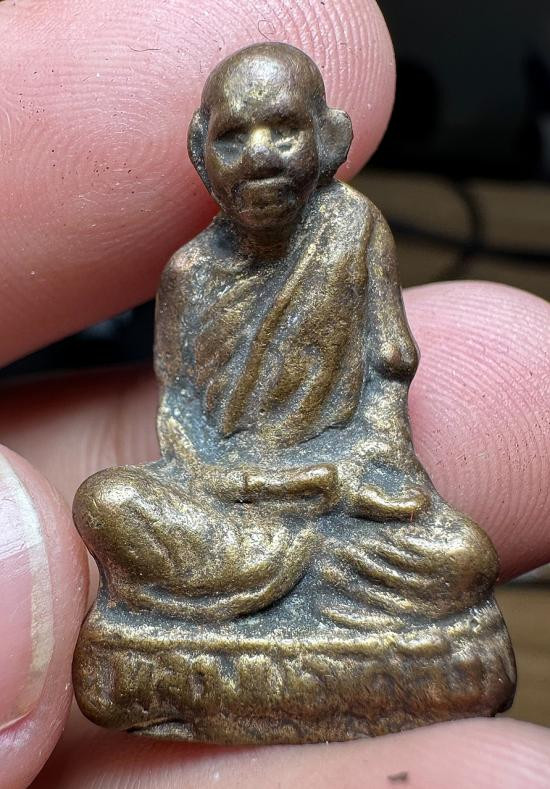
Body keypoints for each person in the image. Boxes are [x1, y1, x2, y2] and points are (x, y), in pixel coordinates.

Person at [0, 1, 549, 786]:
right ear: (201, 152)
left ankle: (234, 615)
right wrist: (257, 487)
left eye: (284, 131)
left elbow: (385, 379)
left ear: (330, 140)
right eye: (234, 137)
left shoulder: (354, 231)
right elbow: (181, 424)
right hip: (233, 503)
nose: (259, 157)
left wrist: (368, 472)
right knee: (107, 502)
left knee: (460, 559)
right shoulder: (192, 273)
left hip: (340, 510)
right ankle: (279, 600)